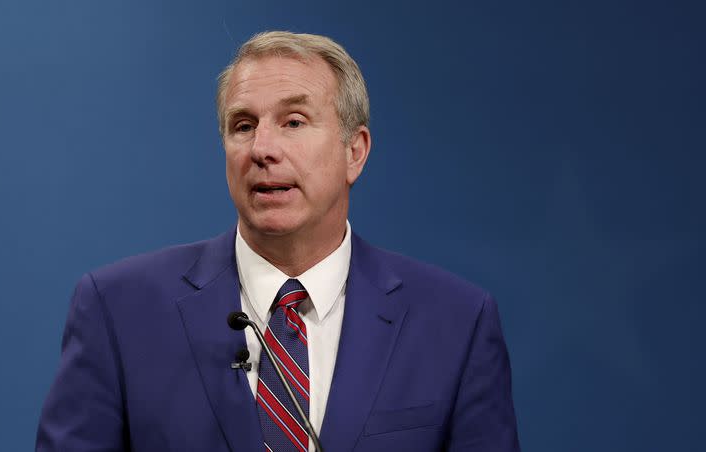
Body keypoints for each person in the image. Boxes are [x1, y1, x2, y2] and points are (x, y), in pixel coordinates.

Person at [36, 31, 520, 452]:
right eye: (243, 126)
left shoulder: (457, 324)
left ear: (355, 152)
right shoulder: (118, 311)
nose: (262, 149)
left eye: (293, 122)